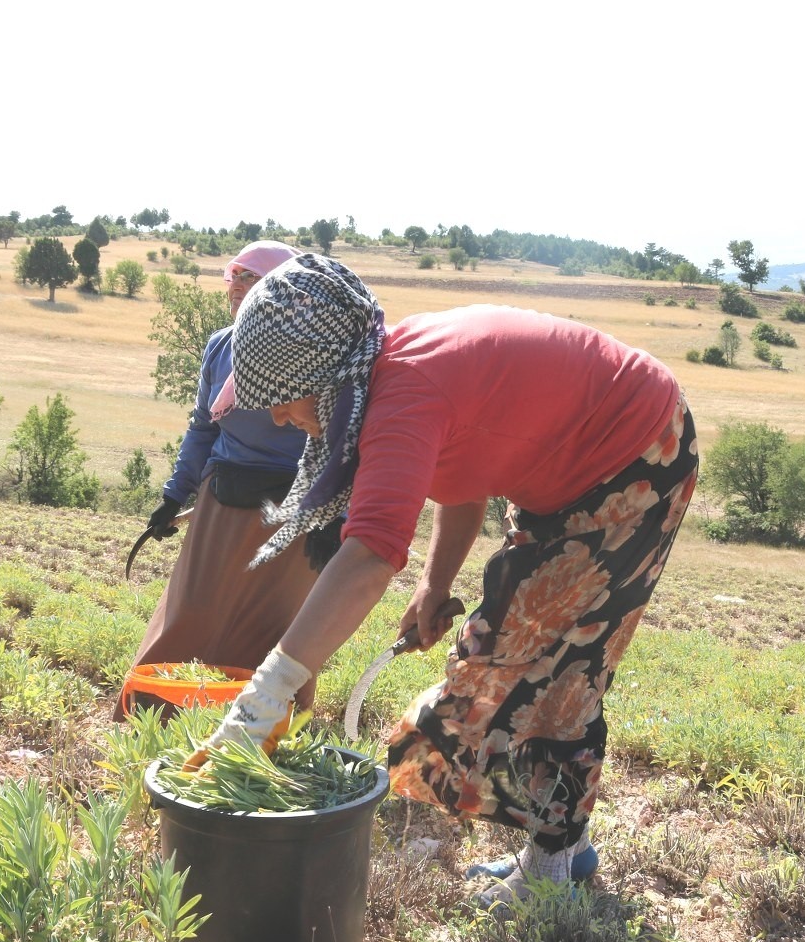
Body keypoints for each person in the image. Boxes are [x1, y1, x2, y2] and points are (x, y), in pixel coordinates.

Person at [189, 254, 699, 907]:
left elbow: (369, 554)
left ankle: (546, 882)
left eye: (279, 400)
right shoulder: (398, 374)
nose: (280, 419)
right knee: (531, 661)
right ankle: (561, 854)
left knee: (536, 671)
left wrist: (264, 698)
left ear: (321, 377)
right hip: (593, 467)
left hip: (633, 455)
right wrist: (435, 584)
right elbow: (465, 471)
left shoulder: (405, 391)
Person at [118, 241, 338, 720]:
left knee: (274, 626)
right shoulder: (222, 345)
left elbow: (341, 440)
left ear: (284, 292)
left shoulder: (315, 352)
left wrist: (332, 517)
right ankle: (152, 720)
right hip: (223, 498)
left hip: (294, 508)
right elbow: (203, 427)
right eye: (233, 275)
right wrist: (173, 494)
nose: (238, 286)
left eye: (252, 277)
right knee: (190, 613)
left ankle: (262, 734)